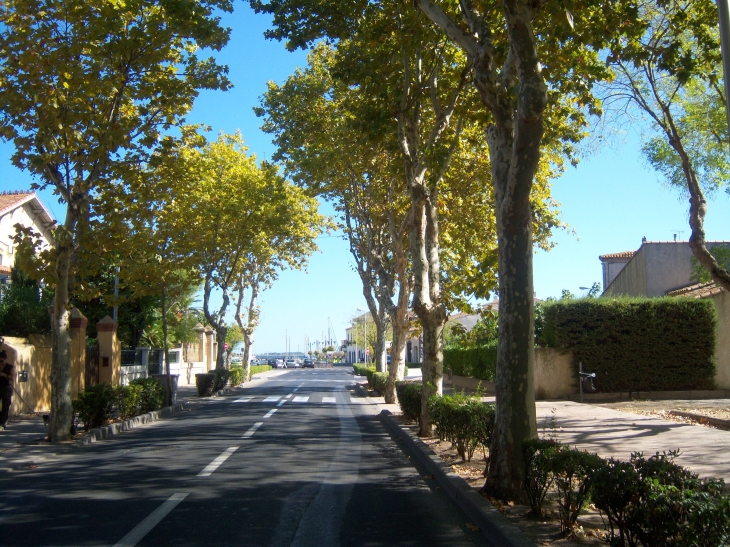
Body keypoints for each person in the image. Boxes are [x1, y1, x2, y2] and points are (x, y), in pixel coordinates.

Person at [0, 350, 15, 431]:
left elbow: (12, 378)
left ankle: (2, 423)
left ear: (5, 359)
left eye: (1, 361)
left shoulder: (9, 367)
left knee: (6, 406)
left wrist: (4, 375)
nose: (0, 362)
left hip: (6, 387)